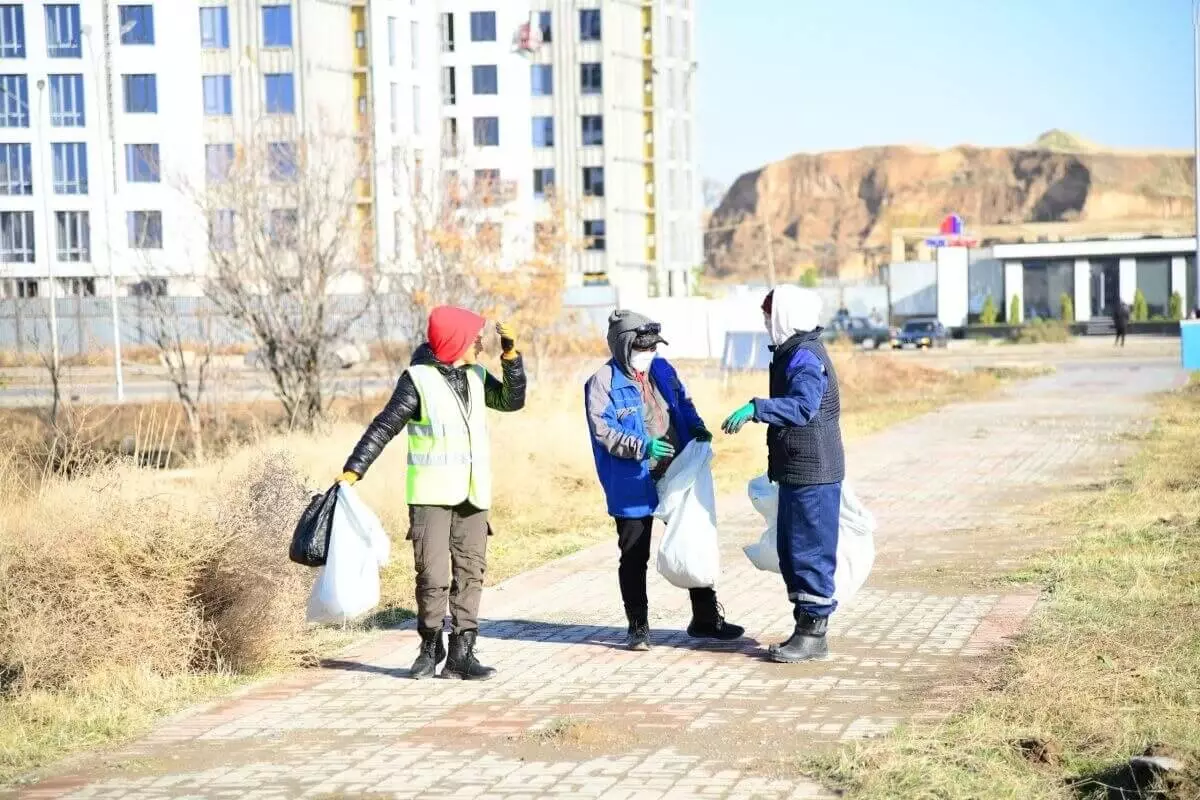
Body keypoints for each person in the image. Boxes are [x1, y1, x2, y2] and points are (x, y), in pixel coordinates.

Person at [339, 306, 526, 681]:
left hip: (474, 494)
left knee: (471, 572)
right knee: (432, 575)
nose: (479, 342)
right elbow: (384, 426)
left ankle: (462, 653)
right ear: (455, 340)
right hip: (430, 495)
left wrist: (511, 356)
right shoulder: (417, 380)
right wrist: (353, 470)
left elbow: (511, 400)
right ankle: (429, 645)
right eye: (474, 337)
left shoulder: (475, 375)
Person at [584, 310, 744, 651]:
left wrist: (696, 424)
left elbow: (682, 403)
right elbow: (603, 431)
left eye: (653, 347)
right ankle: (638, 627)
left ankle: (705, 618)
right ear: (623, 346)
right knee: (633, 554)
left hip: (675, 471)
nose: (649, 354)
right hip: (632, 481)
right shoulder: (601, 382)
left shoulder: (662, 369)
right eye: (643, 348)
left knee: (693, 538)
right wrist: (642, 445)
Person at [722, 285, 844, 663]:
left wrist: (756, 408)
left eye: (768, 316)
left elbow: (804, 406)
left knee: (809, 550)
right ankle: (803, 627)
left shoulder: (805, 357)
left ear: (784, 318)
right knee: (792, 550)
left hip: (814, 470)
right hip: (797, 468)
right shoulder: (792, 352)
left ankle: (814, 635)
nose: (765, 323)